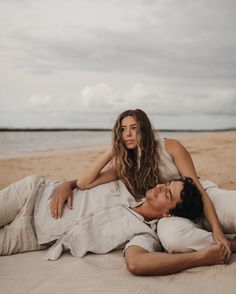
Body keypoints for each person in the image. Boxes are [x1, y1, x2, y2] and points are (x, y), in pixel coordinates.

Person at [50, 109, 236, 262]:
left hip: (199, 197)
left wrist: (217, 230)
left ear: (144, 129)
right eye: (122, 130)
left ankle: (219, 236)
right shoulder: (126, 165)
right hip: (170, 213)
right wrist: (111, 151)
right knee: (173, 240)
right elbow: (85, 182)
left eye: (133, 128)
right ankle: (230, 244)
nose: (127, 134)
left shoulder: (170, 147)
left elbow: (198, 188)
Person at [0, 175, 235, 276]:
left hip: (30, 236)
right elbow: (86, 180)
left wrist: (201, 257)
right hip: (34, 194)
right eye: (167, 184)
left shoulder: (145, 233)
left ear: (167, 213)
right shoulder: (128, 185)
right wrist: (68, 184)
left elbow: (136, 263)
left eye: (169, 194)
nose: (161, 187)